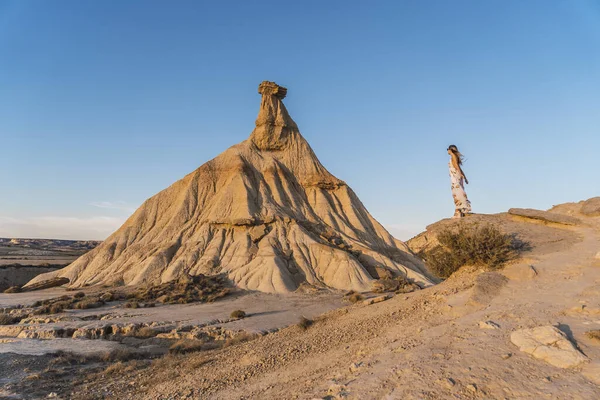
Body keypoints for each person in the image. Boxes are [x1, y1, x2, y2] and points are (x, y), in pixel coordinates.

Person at [447, 144, 471, 218]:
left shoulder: (453, 156)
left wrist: (461, 175)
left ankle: (458, 211)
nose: (447, 151)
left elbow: (457, 167)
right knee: (457, 193)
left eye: (448, 149)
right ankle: (458, 212)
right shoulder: (454, 157)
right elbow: (458, 167)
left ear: (450, 150)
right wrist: (464, 177)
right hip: (456, 176)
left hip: (455, 177)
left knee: (457, 193)